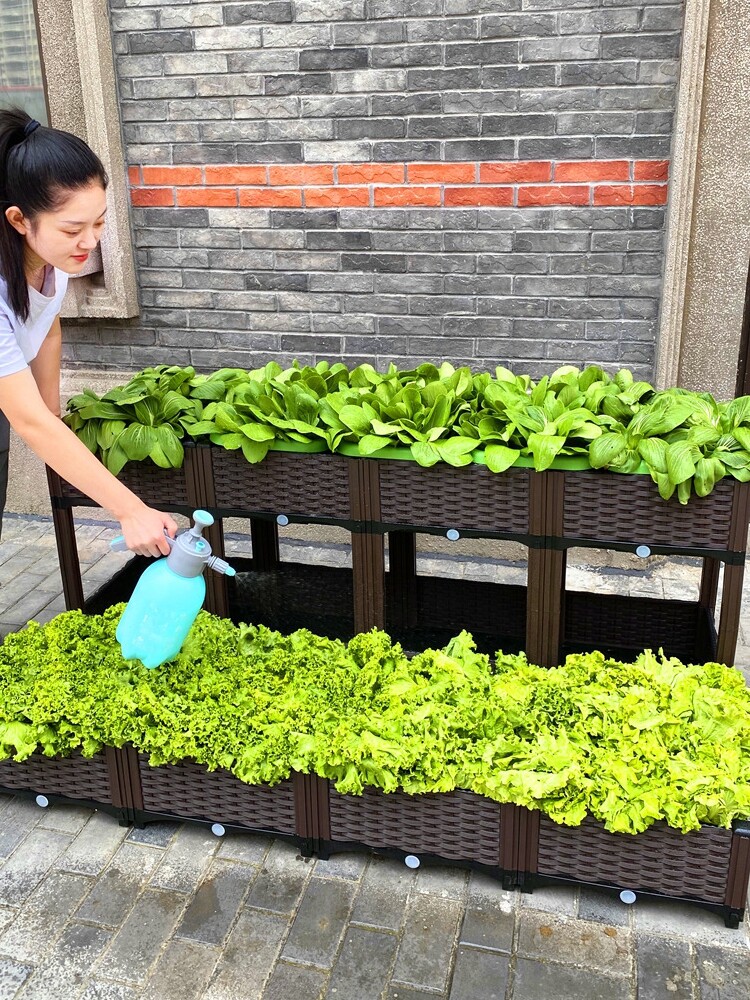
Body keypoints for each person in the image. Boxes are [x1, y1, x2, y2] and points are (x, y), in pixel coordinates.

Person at [0, 107, 176, 555]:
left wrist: (52, 407)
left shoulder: (49, 266)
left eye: (98, 222)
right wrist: (131, 510)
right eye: (73, 228)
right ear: (19, 220)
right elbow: (28, 421)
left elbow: (47, 327)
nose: (90, 241)